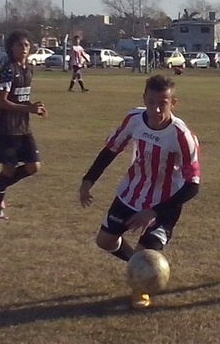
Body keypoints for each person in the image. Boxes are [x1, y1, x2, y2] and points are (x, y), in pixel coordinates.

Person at [79, 74, 200, 308]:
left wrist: (153, 212)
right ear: (144, 98)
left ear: (173, 103)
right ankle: (137, 266)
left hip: (165, 204)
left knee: (147, 255)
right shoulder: (134, 118)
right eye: (151, 102)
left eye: (162, 103)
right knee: (104, 241)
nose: (156, 109)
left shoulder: (182, 136)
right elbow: (111, 150)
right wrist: (88, 180)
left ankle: (142, 286)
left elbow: (193, 185)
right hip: (131, 194)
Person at [0, 29, 48, 220]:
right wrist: (27, 109)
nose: (23, 48)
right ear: (11, 48)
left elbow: (21, 98)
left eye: (26, 45)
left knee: (33, 167)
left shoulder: (28, 69)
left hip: (23, 126)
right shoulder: (8, 69)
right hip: (6, 128)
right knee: (9, 168)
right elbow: (1, 101)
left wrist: (33, 107)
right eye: (19, 45)